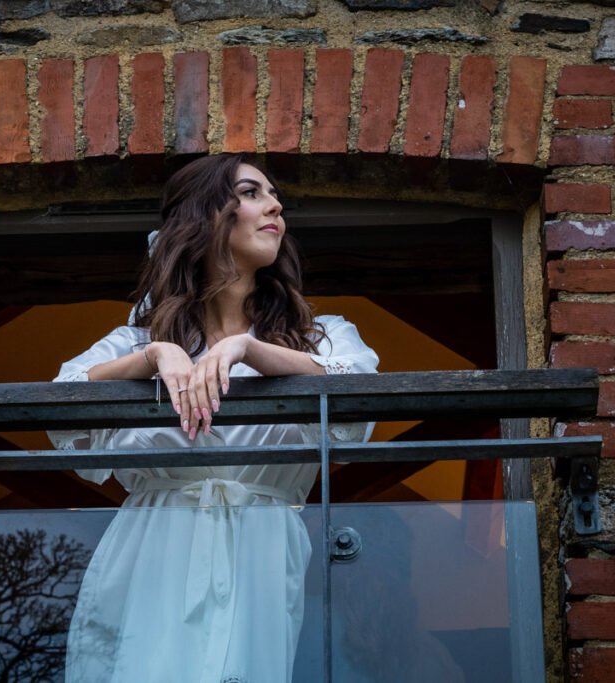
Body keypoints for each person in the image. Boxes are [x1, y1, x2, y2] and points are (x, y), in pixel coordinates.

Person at [49, 155, 379, 683]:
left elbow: (359, 396)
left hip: (263, 552)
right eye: (251, 192)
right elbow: (60, 408)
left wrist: (248, 350)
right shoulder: (131, 342)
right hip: (154, 551)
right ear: (205, 217)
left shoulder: (321, 336)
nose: (274, 206)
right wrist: (152, 356)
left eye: (275, 197)